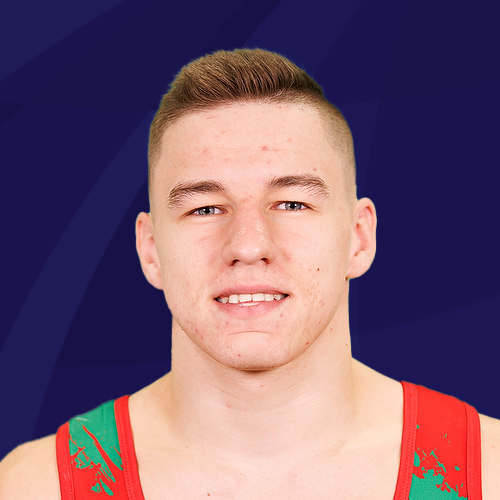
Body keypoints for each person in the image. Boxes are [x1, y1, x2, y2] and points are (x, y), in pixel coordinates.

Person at [0, 48, 498, 499]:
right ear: (150, 249)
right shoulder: (36, 487)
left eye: (291, 203)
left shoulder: (490, 472)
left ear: (359, 237)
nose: (248, 245)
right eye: (204, 208)